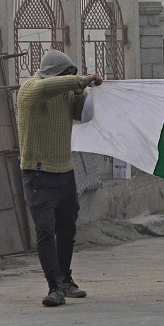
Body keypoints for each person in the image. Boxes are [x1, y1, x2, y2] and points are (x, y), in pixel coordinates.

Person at [16, 50, 103, 307]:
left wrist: (85, 93)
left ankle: (65, 279)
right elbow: (48, 87)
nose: (70, 80)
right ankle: (54, 287)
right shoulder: (31, 89)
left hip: (65, 172)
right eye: (67, 75)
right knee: (45, 230)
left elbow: (85, 115)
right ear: (56, 74)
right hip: (38, 173)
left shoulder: (66, 92)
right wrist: (82, 80)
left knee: (67, 229)